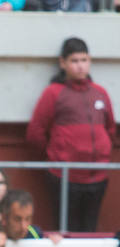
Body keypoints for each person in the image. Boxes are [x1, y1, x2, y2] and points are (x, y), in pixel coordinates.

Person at [27, 37, 116, 233]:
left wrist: (104, 152)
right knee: (65, 231)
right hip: (65, 176)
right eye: (74, 61)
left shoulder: (100, 92)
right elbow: (36, 132)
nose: (80, 66)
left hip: (97, 176)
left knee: (89, 231)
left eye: (84, 60)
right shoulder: (53, 93)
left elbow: (110, 129)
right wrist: (55, 156)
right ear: (63, 63)